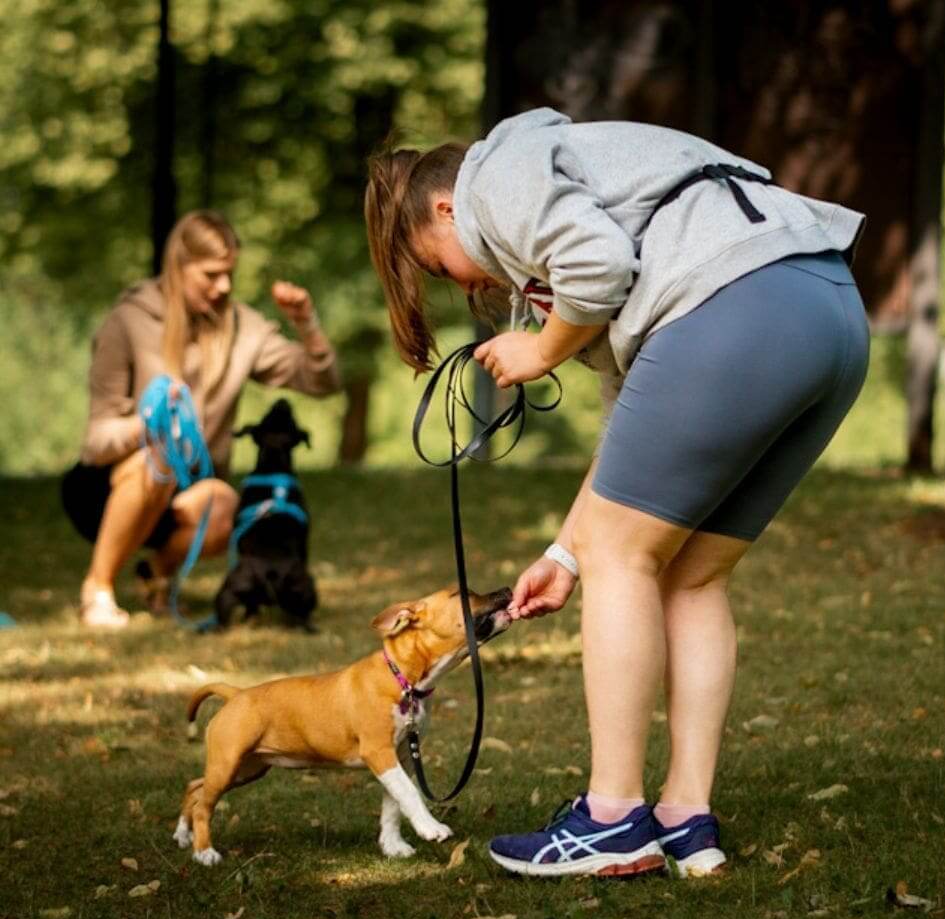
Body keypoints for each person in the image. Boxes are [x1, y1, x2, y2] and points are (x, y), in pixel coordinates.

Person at [364, 108, 869, 878]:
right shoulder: (568, 209)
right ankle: (683, 818)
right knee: (691, 574)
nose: (465, 286)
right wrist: (565, 552)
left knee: (624, 563)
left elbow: (597, 266)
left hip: (733, 307)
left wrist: (539, 349)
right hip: (825, 309)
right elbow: (634, 434)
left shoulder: (497, 177)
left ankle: (612, 817)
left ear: (444, 209)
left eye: (439, 267)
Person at [62, 210, 342, 628]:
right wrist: (152, 425)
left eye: (229, 274)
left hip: (182, 493)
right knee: (155, 461)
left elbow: (323, 382)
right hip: (106, 489)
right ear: (180, 266)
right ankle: (97, 589)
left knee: (229, 503)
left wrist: (307, 325)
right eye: (211, 275)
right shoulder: (128, 321)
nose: (224, 286)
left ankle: (156, 574)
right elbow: (96, 442)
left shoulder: (242, 328)